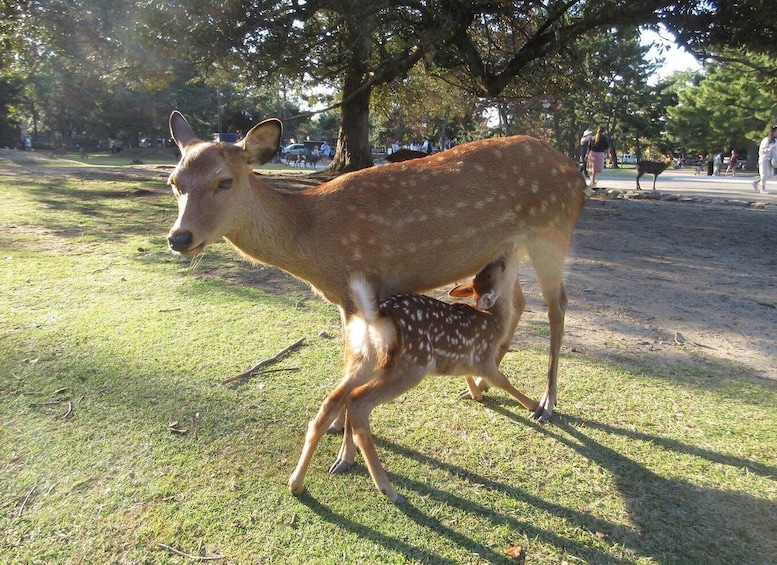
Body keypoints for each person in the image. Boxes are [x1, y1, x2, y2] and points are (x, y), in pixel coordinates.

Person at [752, 125, 777, 194]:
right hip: (765, 159)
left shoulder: (775, 141)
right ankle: (762, 188)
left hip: (771, 160)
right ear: (773, 131)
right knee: (764, 174)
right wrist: (768, 149)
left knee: (770, 174)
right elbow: (761, 150)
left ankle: (756, 182)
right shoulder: (766, 140)